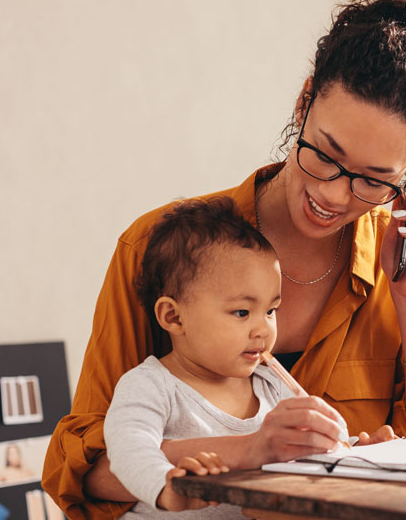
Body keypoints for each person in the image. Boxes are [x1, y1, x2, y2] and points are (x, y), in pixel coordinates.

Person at [45, 0, 406, 519]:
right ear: (304, 102)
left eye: (374, 181)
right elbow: (89, 470)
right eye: (325, 154)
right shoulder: (158, 248)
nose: (333, 194)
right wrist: (253, 453)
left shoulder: (403, 266)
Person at [105, 197, 299, 518]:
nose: (263, 329)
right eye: (242, 312)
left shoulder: (272, 386)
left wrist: (358, 449)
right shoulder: (151, 385)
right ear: (174, 318)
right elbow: (128, 451)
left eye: (271, 311)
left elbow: (306, 448)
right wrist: (168, 488)